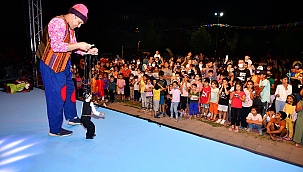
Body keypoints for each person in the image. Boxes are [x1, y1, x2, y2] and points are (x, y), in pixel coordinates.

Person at [36, 4, 98, 136]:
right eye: (79, 22)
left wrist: (87, 51)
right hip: (51, 65)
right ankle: (55, 129)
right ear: (74, 16)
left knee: (70, 90)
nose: (79, 25)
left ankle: (71, 117)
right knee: (57, 96)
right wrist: (79, 44)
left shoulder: (71, 29)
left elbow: (73, 48)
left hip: (63, 65)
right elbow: (57, 46)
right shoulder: (57, 22)